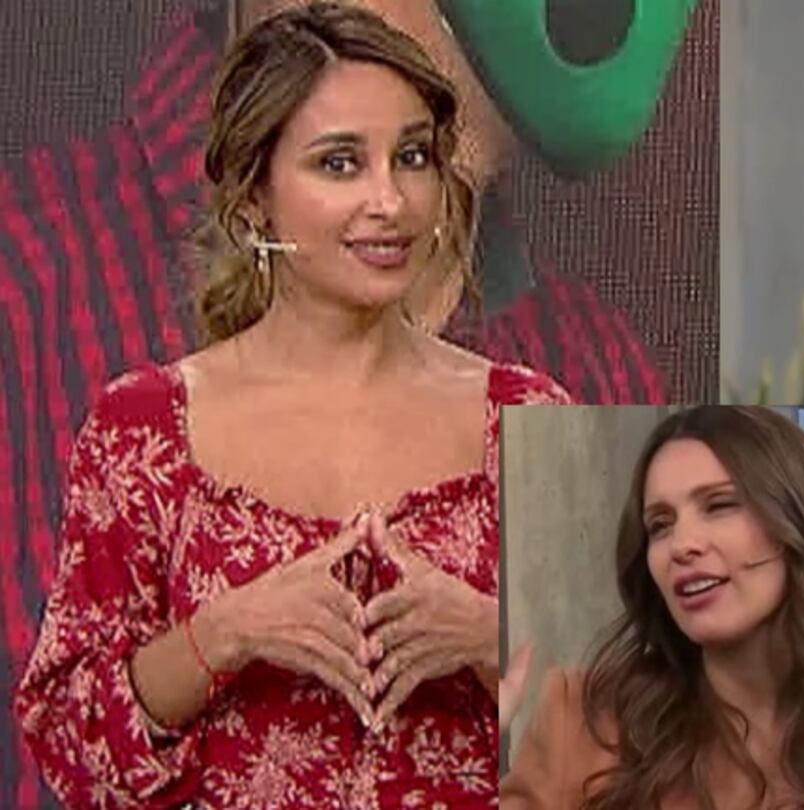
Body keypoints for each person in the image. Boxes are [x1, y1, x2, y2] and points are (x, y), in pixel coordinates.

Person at [13, 5, 569, 807]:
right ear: (253, 202)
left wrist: (491, 637)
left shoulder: (530, 417)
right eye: (341, 163)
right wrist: (225, 634)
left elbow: (634, 746)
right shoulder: (143, 428)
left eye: (412, 157)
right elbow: (71, 745)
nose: (390, 200)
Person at [498, 406, 804, 809]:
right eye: (660, 525)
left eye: (720, 505)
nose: (681, 545)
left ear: (797, 525)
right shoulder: (583, 722)